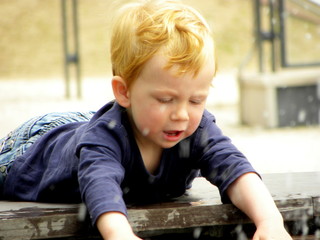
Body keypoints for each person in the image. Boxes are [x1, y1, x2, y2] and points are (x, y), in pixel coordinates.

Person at [0, 0, 292, 239]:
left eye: (196, 100)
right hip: (33, 148)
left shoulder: (196, 127)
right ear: (124, 92)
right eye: (165, 100)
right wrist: (120, 235)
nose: (181, 113)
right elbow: (100, 187)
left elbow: (234, 167)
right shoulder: (104, 139)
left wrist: (270, 220)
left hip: (90, 125)